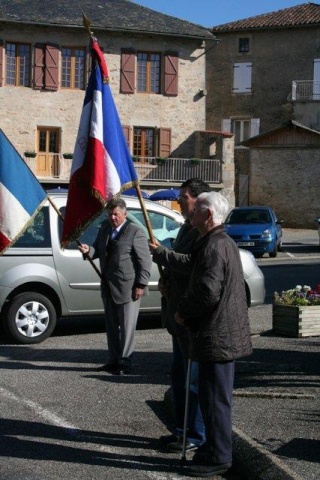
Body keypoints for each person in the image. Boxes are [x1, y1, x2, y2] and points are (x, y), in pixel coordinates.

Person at [174, 191, 252, 477]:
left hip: (217, 336)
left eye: (196, 211)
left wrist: (183, 312)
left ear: (208, 216)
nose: (191, 214)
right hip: (218, 335)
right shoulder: (216, 241)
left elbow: (207, 292)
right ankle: (211, 448)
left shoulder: (215, 245)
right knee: (211, 398)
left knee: (216, 400)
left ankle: (219, 456)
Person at [150, 178, 211, 453]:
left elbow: (192, 264)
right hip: (177, 316)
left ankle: (195, 436)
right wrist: (168, 283)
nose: (179, 202)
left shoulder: (203, 231)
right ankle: (182, 430)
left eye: (183, 197)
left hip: (190, 318)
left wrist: (163, 254)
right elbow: (181, 268)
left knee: (193, 381)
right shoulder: (187, 227)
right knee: (179, 377)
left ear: (198, 200)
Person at [79, 198, 152, 375]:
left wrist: (141, 284)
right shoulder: (105, 229)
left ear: (124, 214)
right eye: (110, 214)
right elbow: (98, 250)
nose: (112, 217)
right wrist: (88, 250)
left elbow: (145, 261)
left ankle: (125, 362)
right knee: (111, 326)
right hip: (108, 286)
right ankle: (113, 360)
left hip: (129, 287)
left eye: (116, 214)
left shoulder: (135, 232)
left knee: (127, 327)